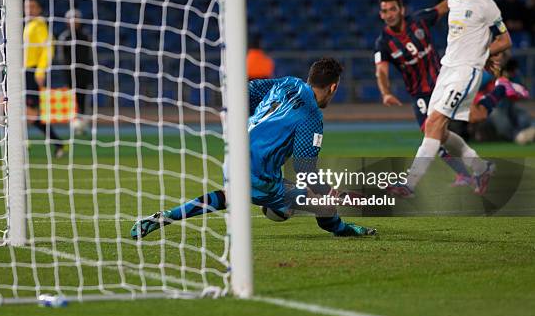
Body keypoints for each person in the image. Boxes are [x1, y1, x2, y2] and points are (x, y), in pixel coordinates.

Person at [131, 58, 376, 239]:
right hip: (260, 179)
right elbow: (305, 169)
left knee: (231, 195)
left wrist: (253, 123)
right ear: (333, 87)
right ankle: (343, 230)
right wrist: (332, 192)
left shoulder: (287, 83)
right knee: (320, 206)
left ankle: (165, 216)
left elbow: (246, 91)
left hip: (233, 156)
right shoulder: (311, 116)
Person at [387, 0, 512, 198]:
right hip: (447, 70)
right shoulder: (453, 1)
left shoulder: (486, 5)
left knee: (435, 123)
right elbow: (448, 8)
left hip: (467, 72)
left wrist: (484, 52)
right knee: (436, 132)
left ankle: (409, 184)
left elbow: (505, 40)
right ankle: (481, 167)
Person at [23, 0, 65, 159]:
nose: (29, 10)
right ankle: (25, 142)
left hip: (32, 72)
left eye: (33, 6)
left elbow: (48, 49)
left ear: (39, 9)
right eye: (27, 6)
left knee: (30, 113)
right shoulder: (29, 25)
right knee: (14, 108)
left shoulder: (39, 25)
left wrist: (40, 71)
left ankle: (57, 143)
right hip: (24, 72)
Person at [57, 8, 93, 133]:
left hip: (84, 73)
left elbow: (90, 56)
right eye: (71, 19)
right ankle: (74, 125)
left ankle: (84, 125)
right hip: (70, 74)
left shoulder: (86, 35)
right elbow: (61, 57)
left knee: (84, 100)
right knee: (72, 101)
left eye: (76, 18)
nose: (74, 21)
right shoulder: (64, 37)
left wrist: (89, 73)